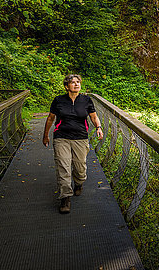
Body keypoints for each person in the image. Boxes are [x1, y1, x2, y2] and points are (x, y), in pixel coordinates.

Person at [43, 74, 104, 214]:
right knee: (63, 167)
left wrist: (98, 127)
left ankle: (79, 182)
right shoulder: (58, 100)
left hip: (80, 138)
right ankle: (65, 198)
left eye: (78, 82)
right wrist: (45, 135)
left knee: (80, 167)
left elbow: (93, 116)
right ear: (66, 86)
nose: (76, 84)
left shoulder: (86, 100)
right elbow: (51, 118)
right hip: (61, 137)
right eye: (73, 82)